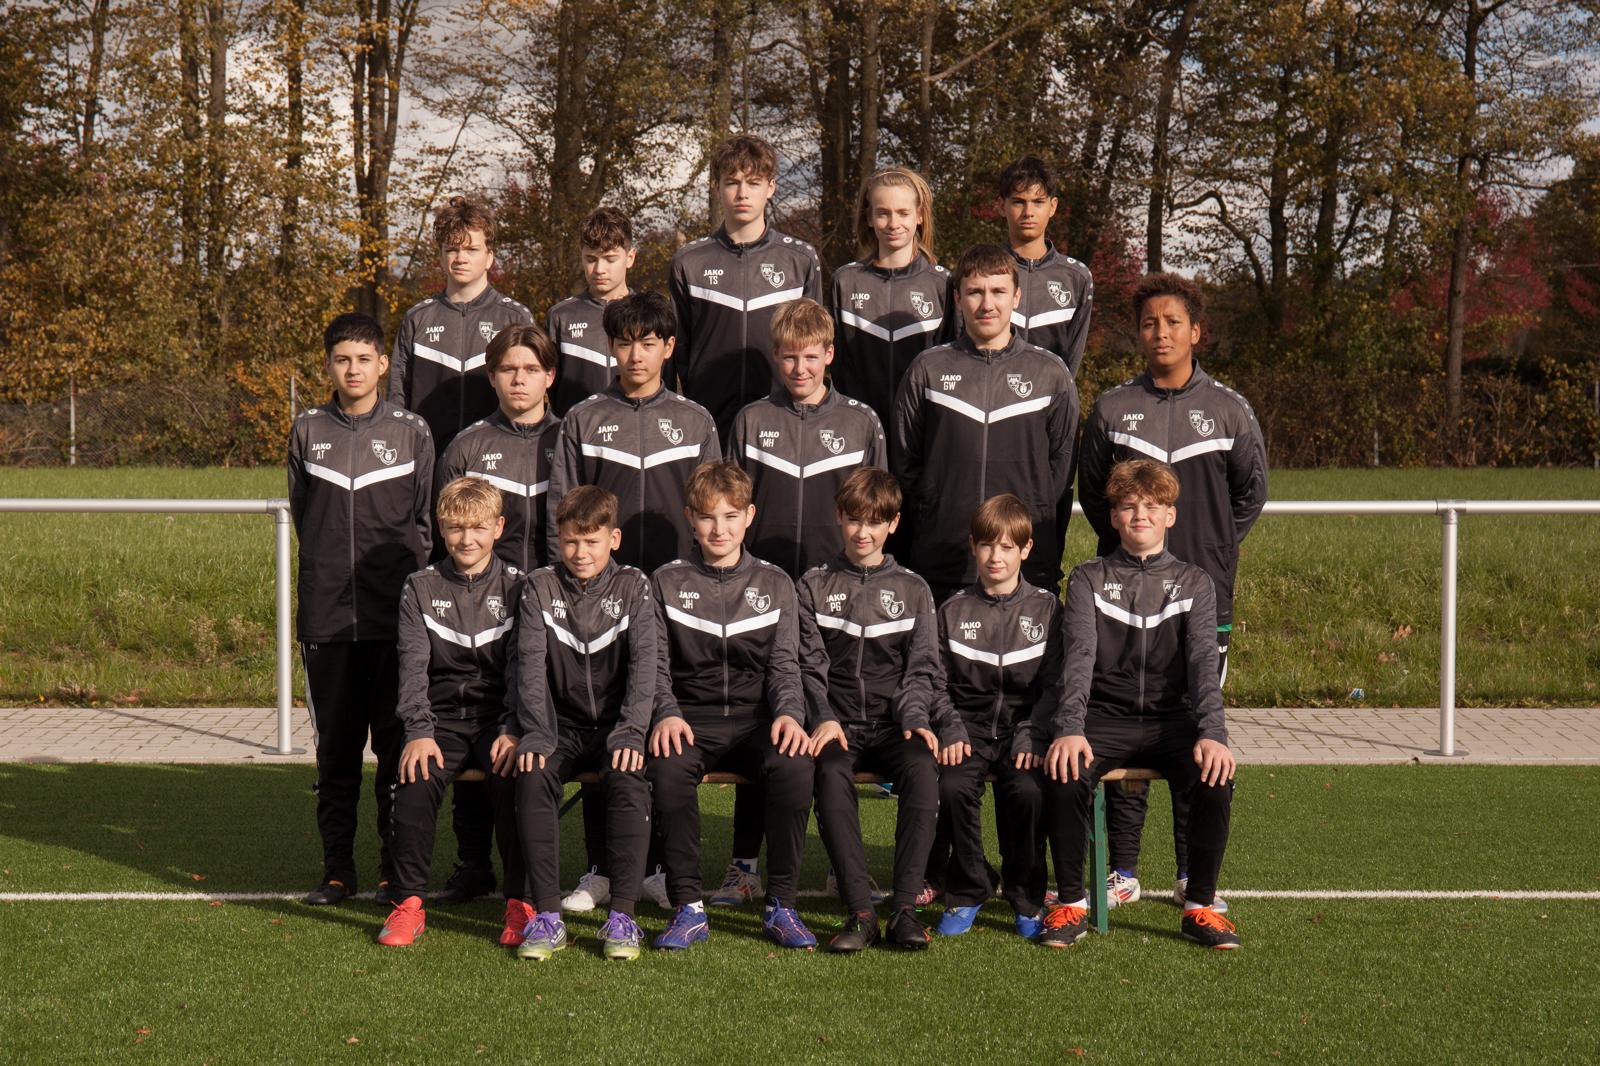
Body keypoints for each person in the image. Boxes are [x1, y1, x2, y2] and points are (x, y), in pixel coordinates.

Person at [1077, 271, 1267, 910]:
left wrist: (1207, 554)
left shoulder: (1230, 409)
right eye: (1149, 323)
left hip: (1203, 598)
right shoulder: (1111, 409)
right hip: (1123, 600)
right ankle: (1124, 869)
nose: (1161, 333)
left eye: (1173, 322)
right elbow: (1093, 494)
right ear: (1138, 333)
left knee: (1192, 725)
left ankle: (1190, 872)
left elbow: (1250, 496)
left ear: (1196, 332)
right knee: (1123, 715)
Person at [710, 298, 887, 907]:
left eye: (810, 356)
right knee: (768, 722)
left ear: (829, 355)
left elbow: (877, 507)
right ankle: (743, 865)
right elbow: (731, 505)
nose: (799, 368)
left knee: (834, 729)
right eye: (788, 357)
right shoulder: (751, 420)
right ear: (775, 357)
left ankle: (841, 866)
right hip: (762, 597)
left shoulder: (861, 422)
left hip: (837, 595)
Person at [1036, 458, 1240, 949]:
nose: (1140, 515)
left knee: (1216, 776)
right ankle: (1071, 903)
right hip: (1105, 718)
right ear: (1113, 517)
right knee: (1063, 769)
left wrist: (1213, 733)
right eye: (1129, 506)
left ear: (1171, 515)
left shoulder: (1195, 582)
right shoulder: (1088, 578)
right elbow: (1078, 661)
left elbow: (1203, 666)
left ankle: (1200, 906)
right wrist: (1070, 728)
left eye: (1152, 506)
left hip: (1173, 721)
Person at [288, 312, 433, 906]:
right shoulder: (306, 430)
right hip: (327, 620)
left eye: (363, 359)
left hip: (394, 621)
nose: (353, 369)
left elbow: (423, 523)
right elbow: (305, 518)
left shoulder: (412, 431)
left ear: (382, 365)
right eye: (342, 359)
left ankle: (392, 872)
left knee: (397, 757)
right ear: (328, 365)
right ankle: (336, 871)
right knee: (337, 756)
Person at [647, 461, 818, 951]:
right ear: (689, 518)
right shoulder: (665, 581)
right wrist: (666, 712)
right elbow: (654, 665)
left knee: (795, 766)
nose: (718, 529)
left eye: (730, 516)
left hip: (756, 719)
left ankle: (781, 905)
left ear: (749, 517)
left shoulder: (776, 583)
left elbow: (785, 666)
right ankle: (688, 907)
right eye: (706, 517)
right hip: (690, 717)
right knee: (667, 767)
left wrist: (790, 714)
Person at [431, 323, 562, 904]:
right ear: (491, 376)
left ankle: (595, 866)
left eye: (531, 369)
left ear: (549, 376)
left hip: (560, 613)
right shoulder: (466, 446)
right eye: (508, 369)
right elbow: (447, 533)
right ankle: (473, 861)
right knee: (480, 723)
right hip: (485, 612)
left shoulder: (570, 437)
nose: (519, 379)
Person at [798, 467, 953, 952]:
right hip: (836, 726)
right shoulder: (813, 585)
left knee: (923, 769)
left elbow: (923, 669)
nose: (862, 532)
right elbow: (807, 667)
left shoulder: (914, 588)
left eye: (874, 522)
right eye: (854, 520)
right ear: (839, 518)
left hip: (893, 725)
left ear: (893, 524)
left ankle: (904, 910)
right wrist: (824, 717)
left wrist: (915, 719)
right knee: (828, 773)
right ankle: (861, 913)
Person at [508, 485, 658, 962]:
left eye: (592, 541)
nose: (580, 552)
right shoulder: (539, 586)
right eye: (571, 541)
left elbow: (646, 668)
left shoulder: (634, 585)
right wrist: (537, 731)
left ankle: (624, 917)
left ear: (614, 539)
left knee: (629, 776)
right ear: (558, 537)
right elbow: (529, 668)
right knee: (532, 772)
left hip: (617, 727)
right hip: (560, 728)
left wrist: (632, 730)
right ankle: (547, 916)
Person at [376, 477, 527, 948]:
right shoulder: (420, 586)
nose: (467, 539)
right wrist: (418, 731)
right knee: (415, 777)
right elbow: (411, 668)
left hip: (498, 720)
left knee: (516, 779)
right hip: (439, 720)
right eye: (456, 528)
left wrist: (515, 728)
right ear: (441, 529)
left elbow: (526, 670)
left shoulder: (521, 586)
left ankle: (520, 904)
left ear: (498, 528)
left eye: (478, 528)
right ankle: (408, 904)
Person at [892, 243, 1080, 605]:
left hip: (1025, 568)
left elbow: (1060, 471)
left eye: (998, 291)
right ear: (957, 298)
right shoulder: (927, 370)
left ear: (1017, 297)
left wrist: (1030, 516)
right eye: (975, 292)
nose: (987, 304)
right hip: (943, 562)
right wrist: (938, 505)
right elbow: (905, 461)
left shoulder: (1050, 374)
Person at [929, 494, 1060, 940]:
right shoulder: (952, 610)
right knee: (951, 784)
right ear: (973, 546)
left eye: (1007, 547)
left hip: (1024, 731)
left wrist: (1034, 732)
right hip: (968, 730)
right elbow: (935, 683)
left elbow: (1055, 686)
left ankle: (1025, 894)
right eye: (986, 545)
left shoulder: (1047, 609)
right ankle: (970, 886)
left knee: (1028, 790)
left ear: (1026, 549)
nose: (995, 557)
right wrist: (950, 726)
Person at [548, 290, 719, 576]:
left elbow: (712, 509)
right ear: (610, 346)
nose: (636, 356)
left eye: (648, 344)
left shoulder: (697, 421)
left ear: (668, 347)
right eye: (625, 344)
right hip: (604, 582)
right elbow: (561, 507)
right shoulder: (582, 419)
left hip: (678, 580)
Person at [669, 133, 823, 437]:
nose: (742, 193)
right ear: (717, 187)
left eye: (753, 183)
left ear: (770, 187)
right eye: (732, 182)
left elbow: (814, 345)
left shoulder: (800, 260)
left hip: (783, 423)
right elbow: (676, 351)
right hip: (708, 421)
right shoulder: (688, 262)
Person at [389, 195, 534, 454]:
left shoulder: (515, 318)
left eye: (471, 250)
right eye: (452, 250)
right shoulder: (417, 319)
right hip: (429, 458)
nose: (460, 258)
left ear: (489, 257)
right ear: (441, 257)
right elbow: (398, 397)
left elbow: (532, 397)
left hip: (496, 458)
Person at [829, 167, 955, 461]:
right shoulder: (845, 282)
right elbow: (838, 366)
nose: (893, 223)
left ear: (919, 216)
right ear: (869, 217)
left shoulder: (943, 284)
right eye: (883, 213)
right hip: (859, 438)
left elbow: (951, 367)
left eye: (903, 213)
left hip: (922, 440)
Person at [996, 156, 1094, 380]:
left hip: (1049, 398)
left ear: (1053, 206)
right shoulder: (981, 272)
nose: (1028, 212)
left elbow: (1071, 364)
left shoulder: (1077, 277)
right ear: (1002, 206)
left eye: (1038, 202)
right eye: (1018, 202)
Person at [547, 207, 635, 416]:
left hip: (635, 431)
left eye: (610, 259)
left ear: (630, 257)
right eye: (591, 259)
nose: (599, 270)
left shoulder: (651, 315)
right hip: (577, 431)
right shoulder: (561, 316)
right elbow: (551, 387)